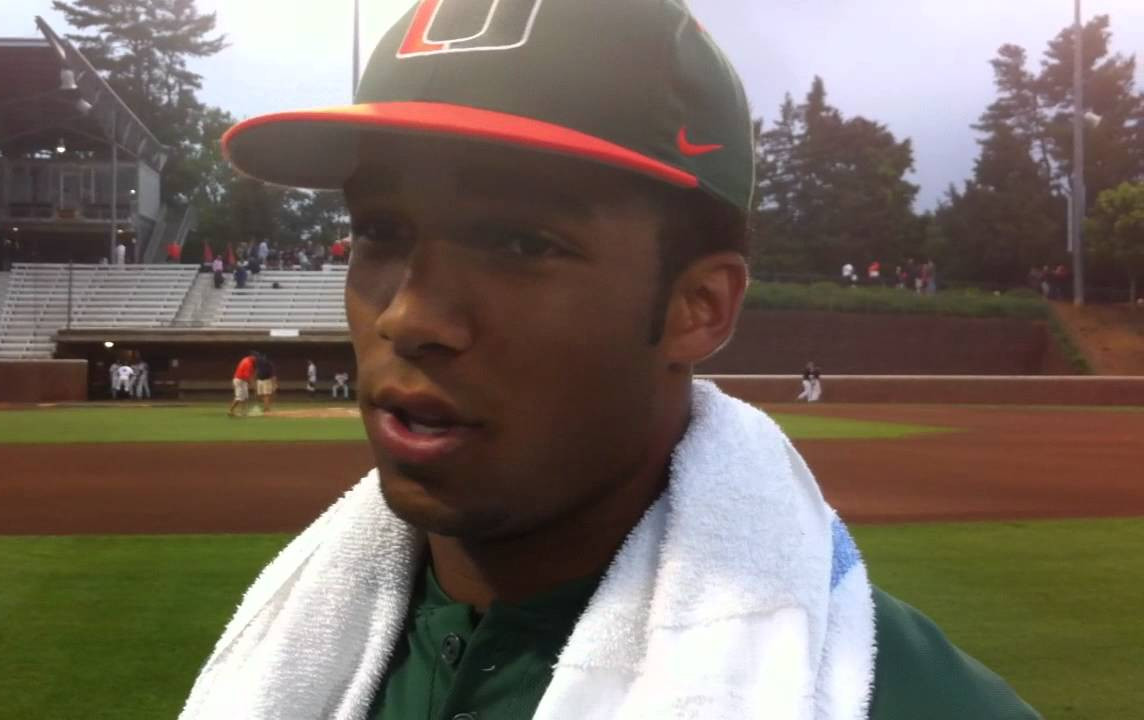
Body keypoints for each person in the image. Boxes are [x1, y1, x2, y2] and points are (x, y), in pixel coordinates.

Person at [181, 2, 1038, 719]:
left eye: (519, 241)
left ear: (699, 308)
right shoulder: (291, 656)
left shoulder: (911, 700)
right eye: (379, 231)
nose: (409, 315)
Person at [229, 353, 256, 418]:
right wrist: (252, 385)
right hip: (240, 380)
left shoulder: (246, 360)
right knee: (239, 397)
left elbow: (250, 374)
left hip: (242, 380)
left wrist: (251, 383)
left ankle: (243, 411)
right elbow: (247, 376)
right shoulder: (248, 363)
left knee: (245, 396)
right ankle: (230, 411)